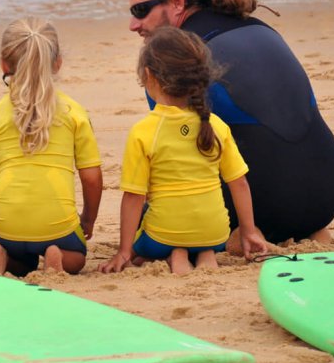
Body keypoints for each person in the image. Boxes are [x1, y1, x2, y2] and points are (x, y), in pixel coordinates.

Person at [126, 0, 334, 247]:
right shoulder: (262, 29)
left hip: (267, 207)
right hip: (327, 196)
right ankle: (305, 230)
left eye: (141, 10)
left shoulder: (169, 62)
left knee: (156, 218)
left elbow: (171, 166)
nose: (134, 25)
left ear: (177, 2)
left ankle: (239, 235)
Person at [101, 27, 268, 275]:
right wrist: (249, 231)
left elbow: (134, 196)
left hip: (162, 235)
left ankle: (175, 253)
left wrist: (125, 251)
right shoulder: (215, 125)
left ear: (149, 75)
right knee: (201, 234)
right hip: (215, 233)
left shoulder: (145, 131)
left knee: (146, 232)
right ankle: (205, 253)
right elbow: (239, 183)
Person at [0, 17, 103, 276]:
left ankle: (0, 253)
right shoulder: (73, 112)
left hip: (5, 225)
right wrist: (87, 218)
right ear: (58, 63)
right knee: (77, 258)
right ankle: (57, 257)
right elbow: (91, 178)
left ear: (3, 63)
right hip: (58, 227)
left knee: (19, 259)